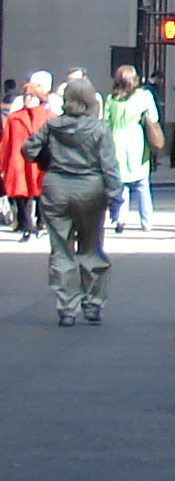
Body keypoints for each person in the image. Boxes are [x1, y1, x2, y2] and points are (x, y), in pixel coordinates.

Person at [31, 82, 120, 324]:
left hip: (56, 187)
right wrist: (115, 197)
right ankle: (92, 303)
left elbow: (28, 149)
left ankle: (67, 308)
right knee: (91, 247)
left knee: (61, 249)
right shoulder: (99, 129)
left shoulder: (52, 125)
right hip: (89, 188)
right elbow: (109, 166)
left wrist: (45, 157)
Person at [104, 65, 162, 235]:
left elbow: (106, 122)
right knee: (142, 183)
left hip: (116, 140)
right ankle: (146, 221)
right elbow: (154, 118)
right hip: (136, 140)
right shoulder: (144, 96)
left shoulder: (111, 99)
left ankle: (121, 218)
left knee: (121, 183)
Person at [1, 77, 50, 239]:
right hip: (19, 160)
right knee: (21, 194)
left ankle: (41, 223)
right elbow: (6, 142)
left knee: (43, 193)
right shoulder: (15, 117)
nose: (28, 99)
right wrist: (3, 164)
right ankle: (27, 226)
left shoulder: (50, 117)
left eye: (32, 96)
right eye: (26, 96)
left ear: (40, 98)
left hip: (41, 161)